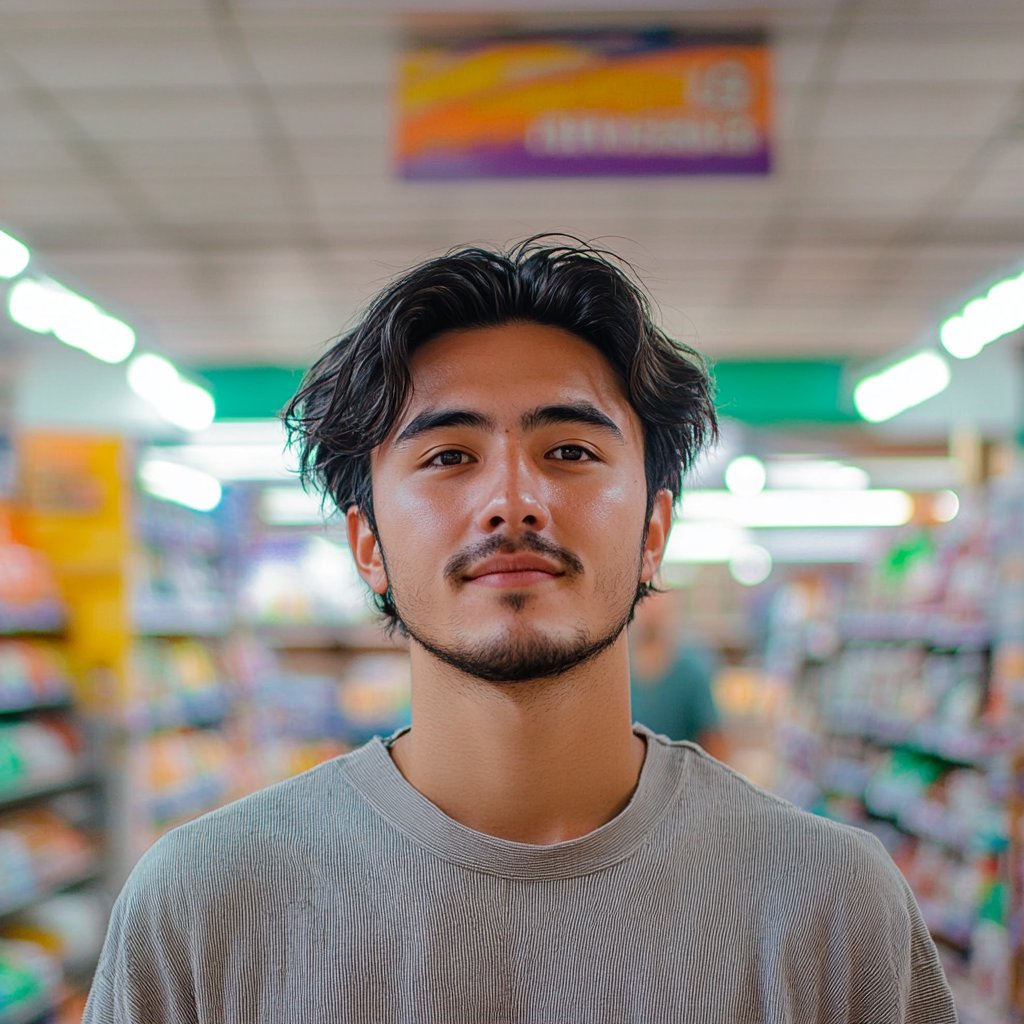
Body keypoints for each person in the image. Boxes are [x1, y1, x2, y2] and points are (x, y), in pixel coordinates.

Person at [83, 237, 957, 1023]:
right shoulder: (198, 907)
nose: (512, 502)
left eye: (570, 451)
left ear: (654, 531)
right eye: (448, 456)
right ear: (369, 545)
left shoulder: (834, 907)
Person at [628, 587, 730, 760]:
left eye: (657, 601)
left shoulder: (691, 670)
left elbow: (713, 739)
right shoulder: (620, 671)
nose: (651, 611)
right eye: (644, 600)